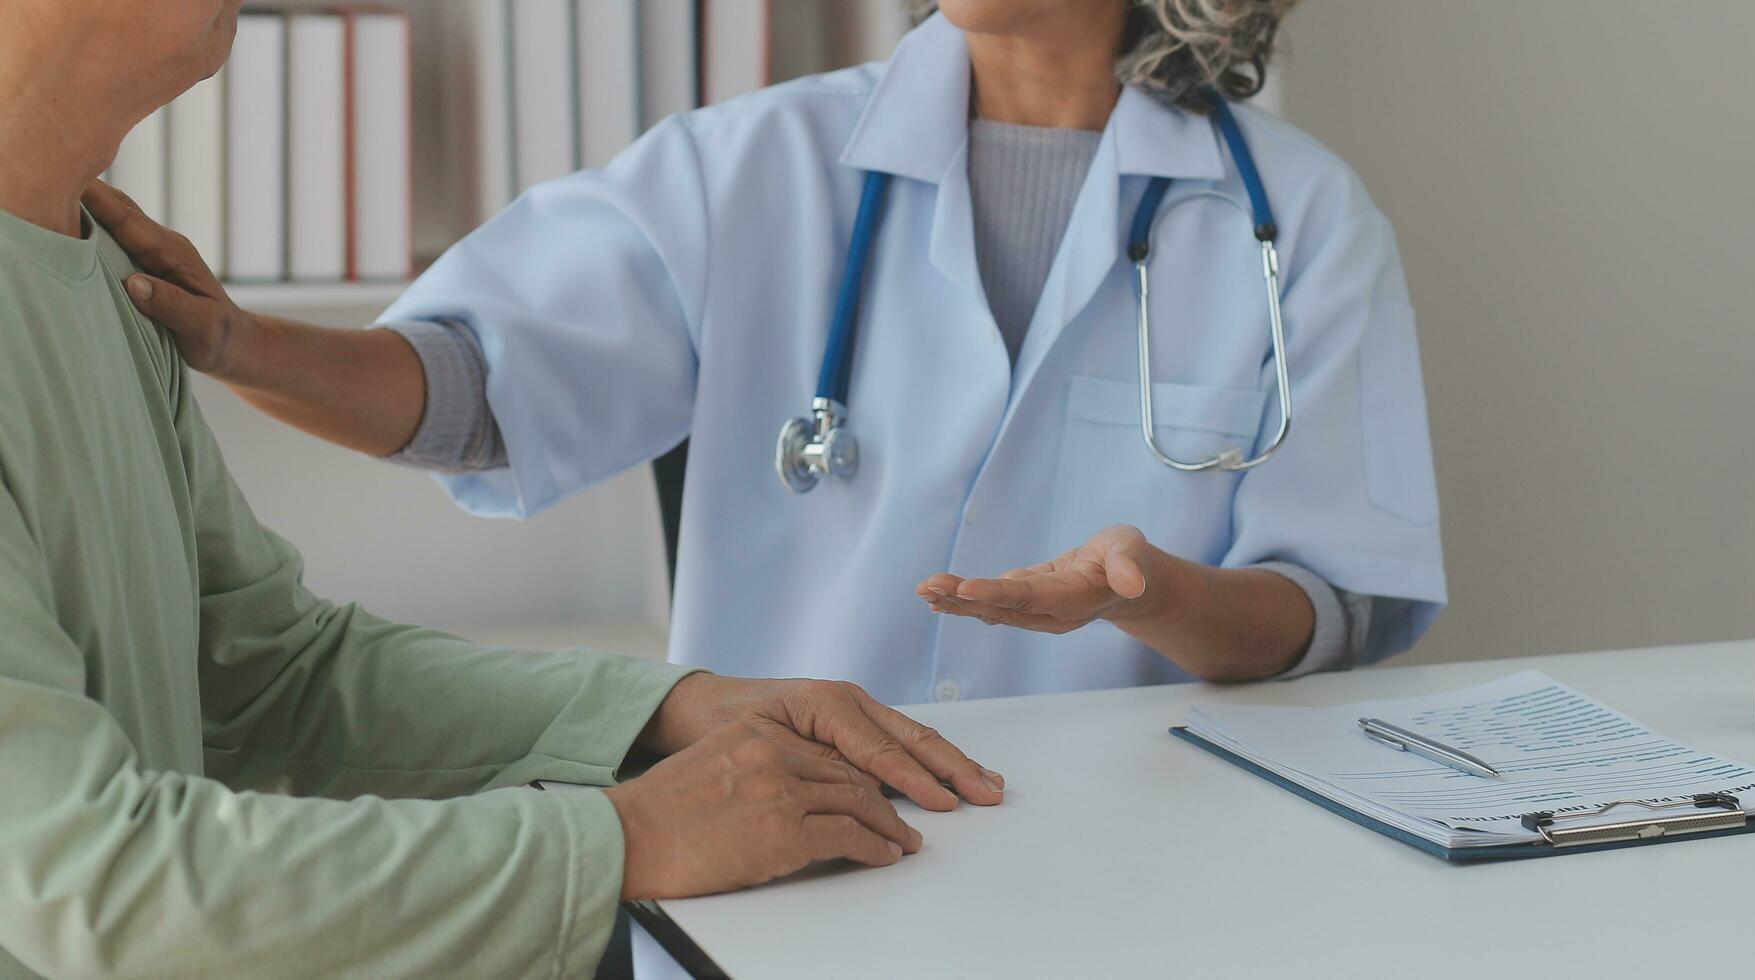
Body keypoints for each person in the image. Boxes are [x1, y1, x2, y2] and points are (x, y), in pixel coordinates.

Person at [0, 2, 1003, 976]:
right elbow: (91, 880)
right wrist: (622, 837)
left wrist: (668, 707)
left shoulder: (104, 278)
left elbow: (272, 679)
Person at [109, 0, 1448, 706]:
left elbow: (1329, 611)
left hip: (1141, 879)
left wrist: (1150, 593)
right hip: (798, 856)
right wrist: (241, 345)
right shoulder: (753, 167)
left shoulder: (1300, 217)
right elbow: (472, 391)